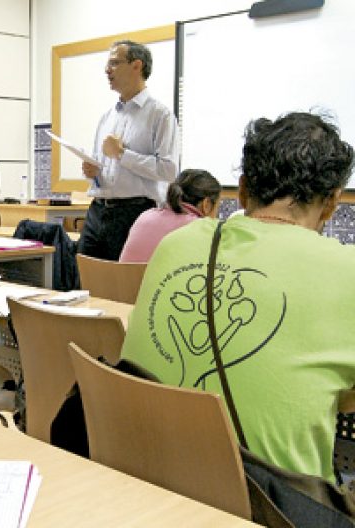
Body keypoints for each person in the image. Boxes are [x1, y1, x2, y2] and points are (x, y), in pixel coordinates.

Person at [121, 111, 355, 484]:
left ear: (242, 189)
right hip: (272, 508)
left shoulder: (177, 243)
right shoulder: (347, 270)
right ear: (331, 203)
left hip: (147, 483)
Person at [78, 40, 180, 261]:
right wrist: (93, 172)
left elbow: (168, 170)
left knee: (119, 285)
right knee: (84, 277)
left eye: (114, 63)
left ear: (136, 66)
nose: (107, 70)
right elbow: (105, 166)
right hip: (98, 209)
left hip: (134, 212)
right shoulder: (107, 117)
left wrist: (123, 155)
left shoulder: (160, 115)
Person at [119, 169, 221, 262]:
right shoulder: (200, 227)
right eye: (217, 207)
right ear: (206, 204)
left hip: (121, 281)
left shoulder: (146, 215)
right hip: (157, 281)